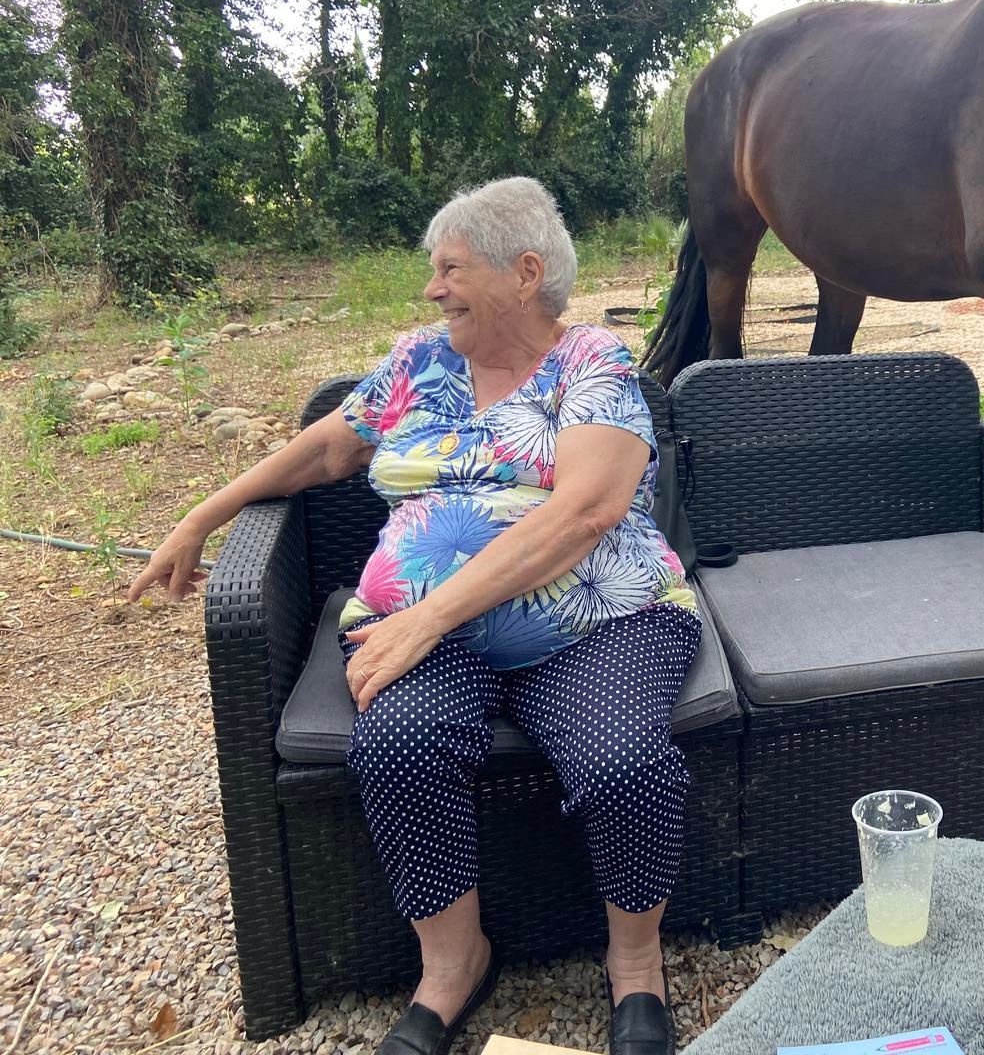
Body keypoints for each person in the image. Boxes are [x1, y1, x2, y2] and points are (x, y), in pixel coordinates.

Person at [130, 177, 695, 1055]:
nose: (433, 289)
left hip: (597, 618)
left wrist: (428, 619)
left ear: (525, 274)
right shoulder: (419, 362)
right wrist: (204, 514)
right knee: (398, 744)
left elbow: (587, 509)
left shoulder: (592, 361)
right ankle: (455, 964)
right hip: (422, 628)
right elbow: (327, 448)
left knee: (626, 762)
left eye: (451, 269)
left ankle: (636, 962)